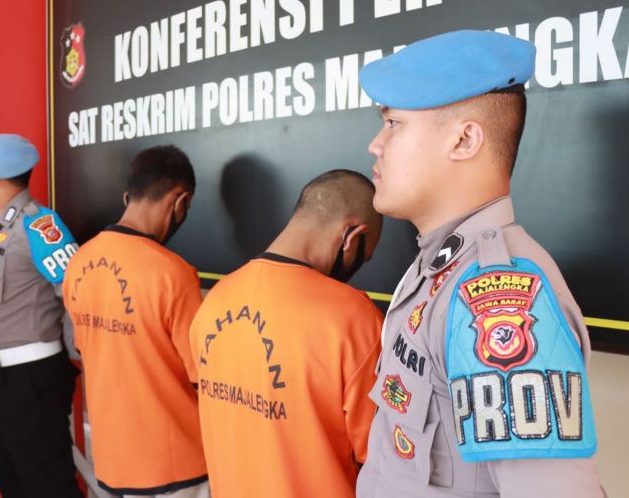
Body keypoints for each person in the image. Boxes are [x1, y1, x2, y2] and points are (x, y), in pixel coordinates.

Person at [355, 30, 605, 497]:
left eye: (394, 124)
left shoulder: (498, 293)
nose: (376, 144)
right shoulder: (437, 265)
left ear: (465, 139)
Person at [189, 169, 385, 498]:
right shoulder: (354, 317)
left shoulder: (214, 301)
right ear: (350, 236)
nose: (357, 266)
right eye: (362, 257)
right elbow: (381, 457)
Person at [62, 145, 209, 497]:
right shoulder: (173, 273)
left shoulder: (80, 261)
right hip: (176, 465)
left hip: (113, 460)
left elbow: (85, 348)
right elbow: (202, 375)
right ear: (180, 201)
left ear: (129, 196)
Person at [0, 133, 82, 498]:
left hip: (29, 381)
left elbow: (76, 292)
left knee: (47, 484)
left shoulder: (39, 226)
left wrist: (75, 358)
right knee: (13, 481)